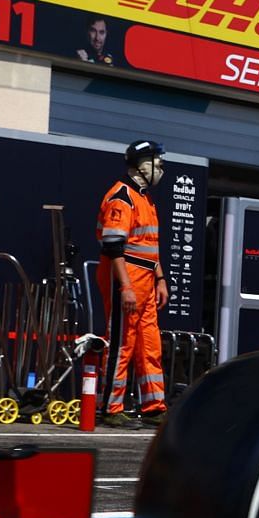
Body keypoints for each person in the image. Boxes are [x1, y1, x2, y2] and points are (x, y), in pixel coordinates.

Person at [96, 141, 170, 427]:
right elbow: (113, 246)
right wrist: (125, 286)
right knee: (122, 341)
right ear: (142, 165)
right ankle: (111, 408)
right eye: (157, 162)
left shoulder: (145, 198)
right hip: (125, 275)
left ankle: (153, 406)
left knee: (149, 342)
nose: (161, 167)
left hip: (147, 278)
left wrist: (160, 278)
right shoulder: (121, 197)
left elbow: (150, 245)